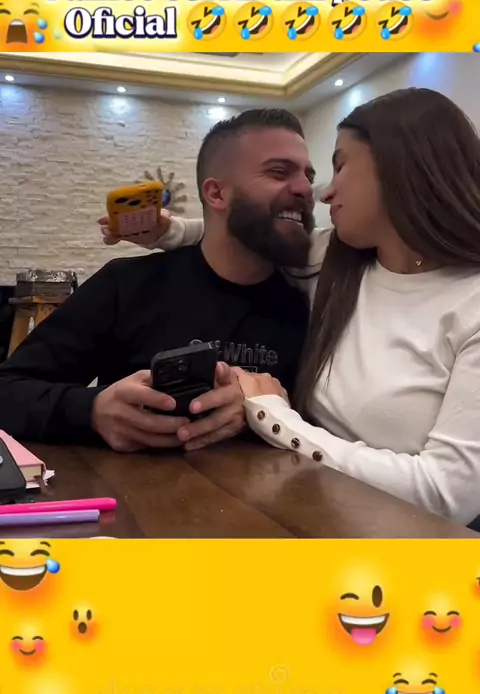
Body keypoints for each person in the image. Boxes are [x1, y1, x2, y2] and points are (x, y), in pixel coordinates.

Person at [110, 88, 480, 525]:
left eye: (340, 166)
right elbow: (249, 229)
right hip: (302, 514)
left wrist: (273, 415)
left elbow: (445, 495)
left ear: (400, 167)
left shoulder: (468, 305)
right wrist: (170, 231)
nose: (323, 193)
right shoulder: (337, 262)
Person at [0, 109, 313, 452]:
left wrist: (266, 410)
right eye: (279, 172)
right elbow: (8, 388)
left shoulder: (308, 305)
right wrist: (92, 411)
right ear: (216, 194)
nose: (305, 188)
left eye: (308, 176)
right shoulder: (126, 285)